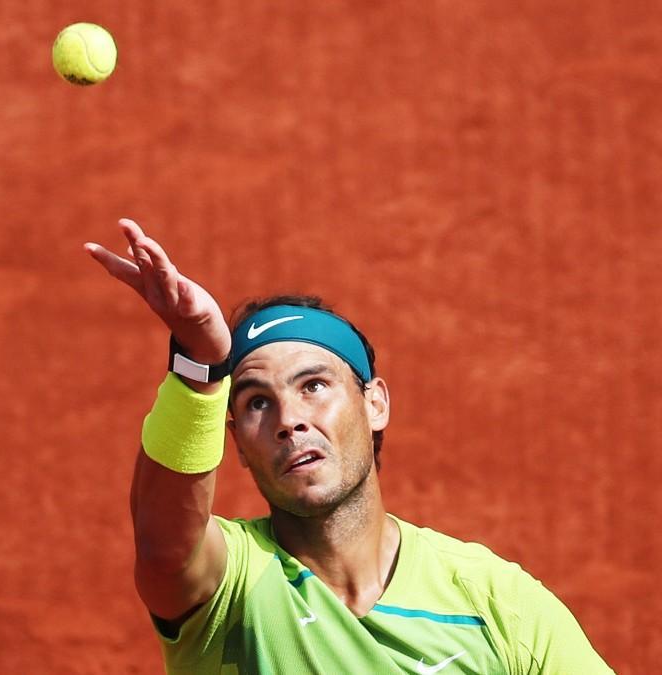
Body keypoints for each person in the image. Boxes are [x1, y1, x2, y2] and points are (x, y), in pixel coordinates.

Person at [84, 218, 612, 674]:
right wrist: (200, 365)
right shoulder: (233, 588)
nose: (290, 421)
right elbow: (164, 549)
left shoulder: (493, 602)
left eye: (313, 386)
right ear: (237, 446)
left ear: (375, 403)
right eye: (256, 404)